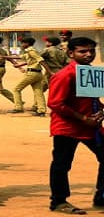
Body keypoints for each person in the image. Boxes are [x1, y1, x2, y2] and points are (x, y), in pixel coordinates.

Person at [47, 37, 103, 215]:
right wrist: (83, 118)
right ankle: (58, 201)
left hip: (91, 126)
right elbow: (55, 103)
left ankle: (101, 197)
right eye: (83, 51)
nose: (88, 54)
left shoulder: (89, 72)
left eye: (91, 51)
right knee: (62, 164)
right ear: (71, 53)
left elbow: (91, 98)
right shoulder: (65, 75)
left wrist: (100, 110)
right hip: (67, 127)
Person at [2, 37, 52, 117]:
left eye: (22, 43)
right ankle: (41, 110)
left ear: (27, 43)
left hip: (31, 73)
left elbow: (41, 60)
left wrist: (49, 71)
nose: (21, 45)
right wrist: (4, 57)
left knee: (16, 89)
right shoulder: (30, 51)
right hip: (38, 73)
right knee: (38, 92)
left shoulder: (31, 51)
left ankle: (18, 107)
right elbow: (20, 57)